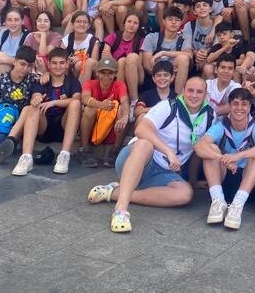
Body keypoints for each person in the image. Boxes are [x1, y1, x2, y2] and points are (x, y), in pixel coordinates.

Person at [87, 76, 214, 233]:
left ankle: (114, 193)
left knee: (186, 194)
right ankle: (120, 210)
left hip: (164, 172)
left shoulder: (209, 116)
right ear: (182, 91)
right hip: (138, 158)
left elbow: (197, 151)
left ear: (205, 95)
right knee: (144, 143)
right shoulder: (168, 106)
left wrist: (193, 181)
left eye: (199, 92)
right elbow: (141, 130)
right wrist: (167, 151)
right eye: (190, 90)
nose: (194, 95)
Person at [194, 88, 255, 230]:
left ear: (249, 106)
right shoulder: (221, 125)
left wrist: (238, 156)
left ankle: (237, 205)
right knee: (211, 150)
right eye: (235, 103)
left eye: (244, 104)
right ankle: (218, 202)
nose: (239, 108)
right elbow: (200, 146)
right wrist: (223, 158)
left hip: (247, 183)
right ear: (229, 105)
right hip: (223, 181)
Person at [13, 47, 82, 176]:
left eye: (62, 63)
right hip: (43, 126)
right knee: (33, 106)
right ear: (49, 64)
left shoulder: (72, 82)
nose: (58, 66)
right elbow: (36, 95)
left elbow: (77, 99)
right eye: (54, 63)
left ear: (67, 64)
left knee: (75, 103)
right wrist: (36, 99)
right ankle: (26, 157)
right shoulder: (42, 81)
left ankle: (64, 155)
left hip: (64, 126)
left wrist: (54, 102)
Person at [78, 58, 130, 168]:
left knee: (122, 110)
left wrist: (125, 117)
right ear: (97, 73)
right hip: (93, 127)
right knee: (89, 109)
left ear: (115, 74)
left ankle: (115, 150)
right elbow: (84, 98)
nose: (106, 76)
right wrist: (101, 105)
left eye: (110, 73)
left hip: (112, 127)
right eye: (103, 72)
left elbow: (125, 101)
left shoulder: (119, 85)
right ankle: (84, 149)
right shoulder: (90, 83)